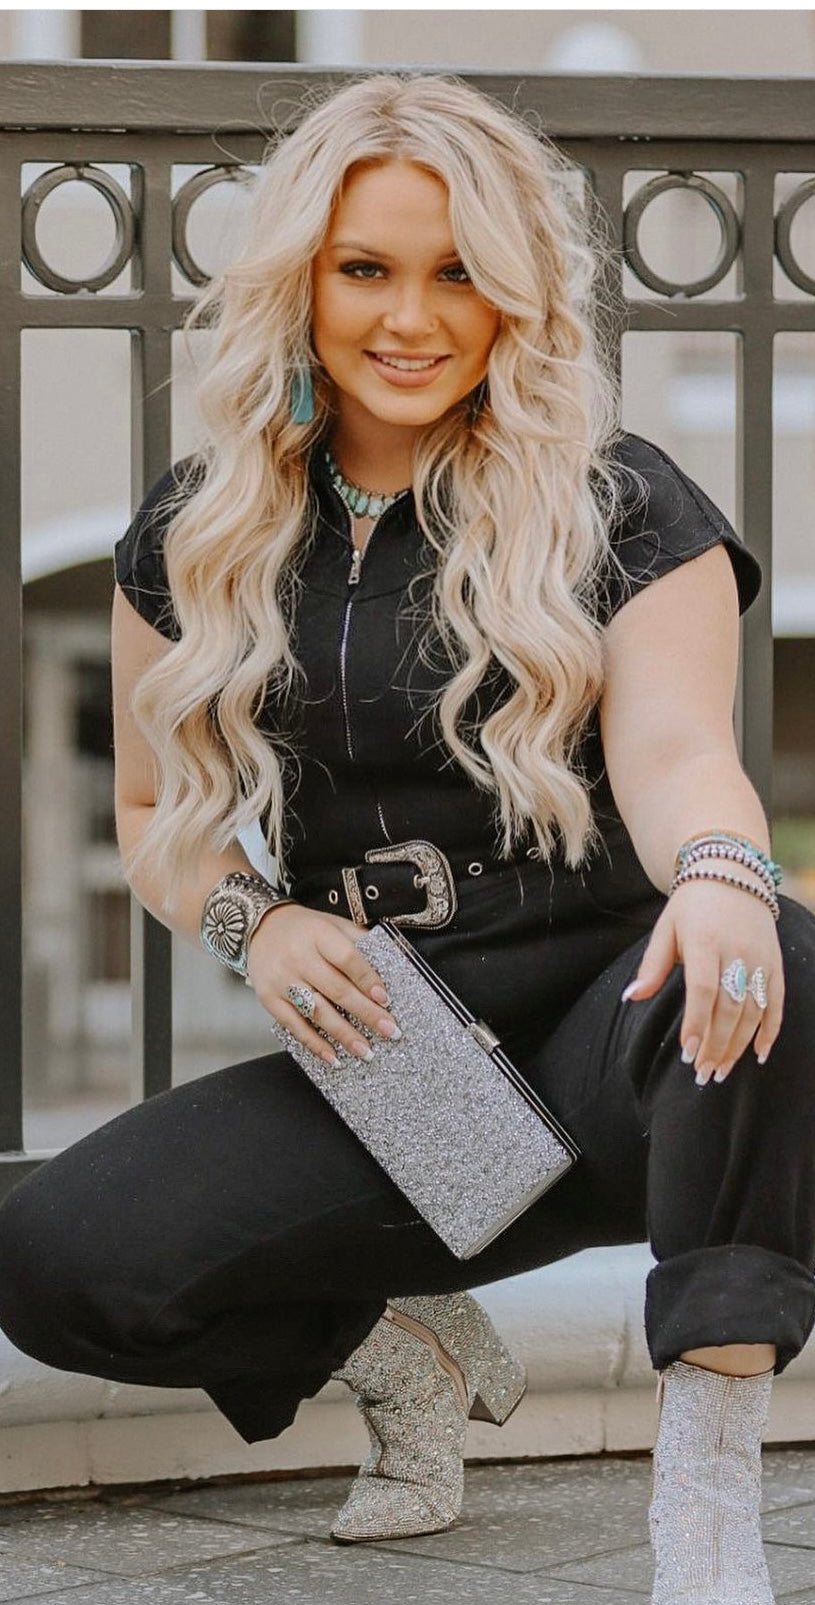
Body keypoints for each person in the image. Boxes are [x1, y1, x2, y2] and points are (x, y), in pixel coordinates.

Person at [0, 72, 813, 1603]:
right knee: (54, 1258)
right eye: (366, 268)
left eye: (458, 273)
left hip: (622, 1028)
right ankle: (407, 1343)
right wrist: (257, 923)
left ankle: (707, 1515)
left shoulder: (622, 502)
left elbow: (678, 752)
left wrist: (722, 870)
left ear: (516, 293)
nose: (412, 317)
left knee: (769, 956)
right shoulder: (195, 531)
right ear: (299, 280)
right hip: (404, 1058)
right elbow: (156, 815)